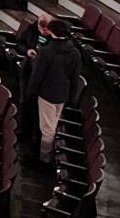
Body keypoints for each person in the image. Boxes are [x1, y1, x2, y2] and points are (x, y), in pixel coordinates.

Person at [27, 14, 81, 164]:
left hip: (47, 94)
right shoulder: (75, 52)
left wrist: (30, 93)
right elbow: (74, 78)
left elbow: (37, 76)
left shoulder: (46, 52)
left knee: (47, 130)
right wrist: (72, 98)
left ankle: (44, 160)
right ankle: (47, 156)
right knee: (52, 125)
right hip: (63, 94)